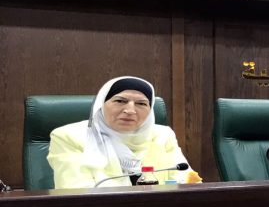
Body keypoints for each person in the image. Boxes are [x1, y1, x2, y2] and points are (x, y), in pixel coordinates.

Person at [47, 76, 197, 188]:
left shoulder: (163, 135)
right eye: (120, 101)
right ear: (101, 104)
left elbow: (186, 181)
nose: (130, 110)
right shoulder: (69, 136)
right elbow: (75, 190)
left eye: (141, 103)